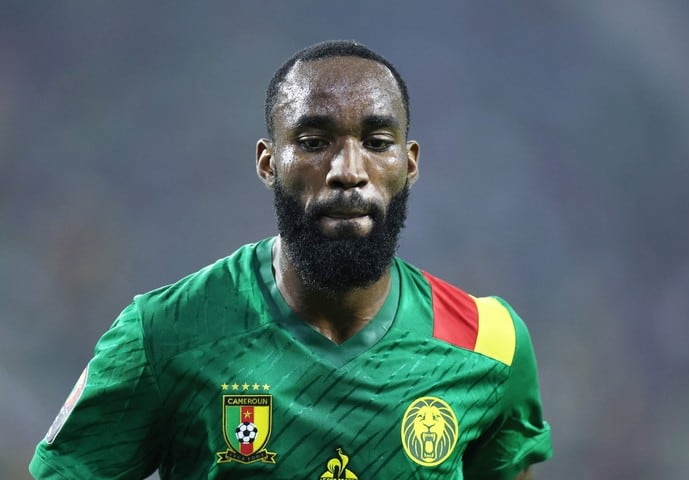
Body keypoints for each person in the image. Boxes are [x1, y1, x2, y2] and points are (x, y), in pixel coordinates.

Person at [30, 40, 552, 479]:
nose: (348, 170)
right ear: (268, 163)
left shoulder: (491, 344)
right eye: (313, 141)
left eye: (376, 142)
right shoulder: (162, 334)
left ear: (408, 164)